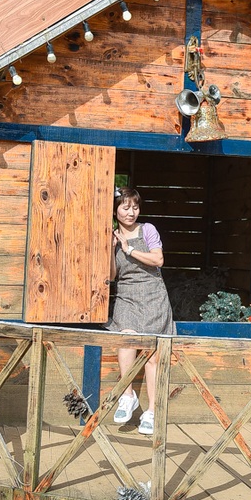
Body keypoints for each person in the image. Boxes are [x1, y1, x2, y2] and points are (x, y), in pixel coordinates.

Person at [107, 186, 175, 435]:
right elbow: (112, 276)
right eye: (125, 207)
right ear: (116, 211)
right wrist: (109, 248)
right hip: (126, 295)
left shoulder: (147, 230)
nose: (131, 212)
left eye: (135, 207)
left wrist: (129, 249)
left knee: (152, 355)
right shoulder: (112, 236)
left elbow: (158, 260)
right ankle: (128, 396)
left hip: (153, 294)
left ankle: (153, 412)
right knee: (126, 339)